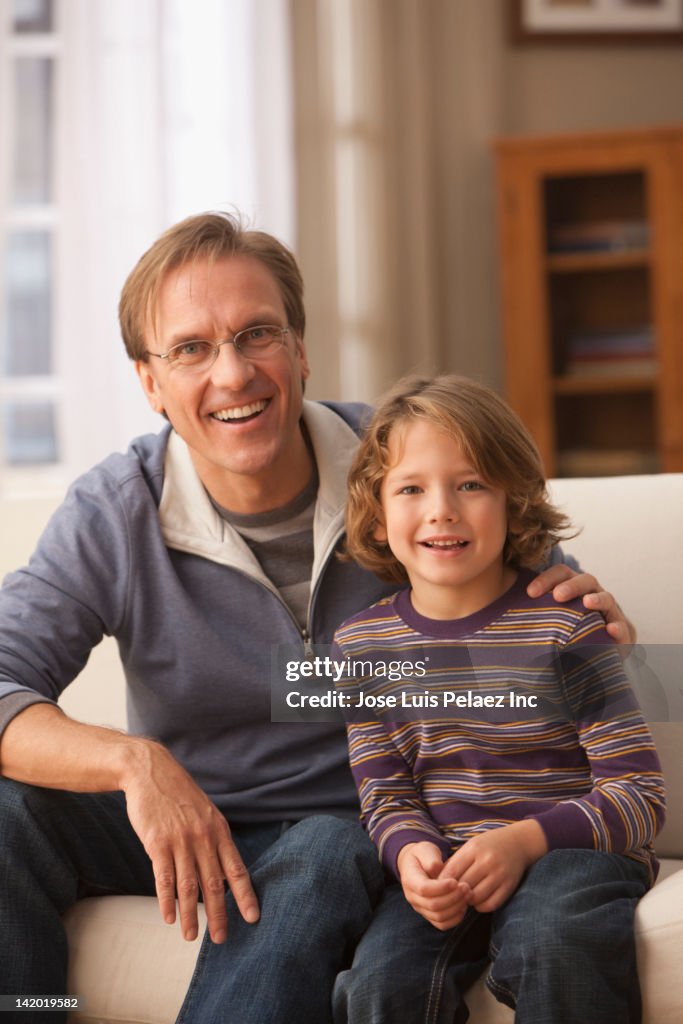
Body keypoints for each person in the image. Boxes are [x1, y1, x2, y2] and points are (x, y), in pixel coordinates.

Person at [0, 213, 636, 1024]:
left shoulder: (409, 469)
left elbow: (547, 616)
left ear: (299, 351)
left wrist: (583, 613)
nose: (232, 374)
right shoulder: (114, 511)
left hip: (361, 824)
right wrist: (134, 765)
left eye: (256, 334)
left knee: (320, 849)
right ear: (150, 383)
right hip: (194, 813)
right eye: (191, 348)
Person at [332, 374, 666, 1024]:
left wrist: (523, 842)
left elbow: (637, 796)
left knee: (555, 940)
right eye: (410, 488)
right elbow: (385, 791)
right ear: (376, 513)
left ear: (514, 504)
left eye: (470, 484)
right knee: (380, 984)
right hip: (447, 865)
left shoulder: (566, 627)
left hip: (572, 857)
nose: (441, 510)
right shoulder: (361, 645)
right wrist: (411, 854)